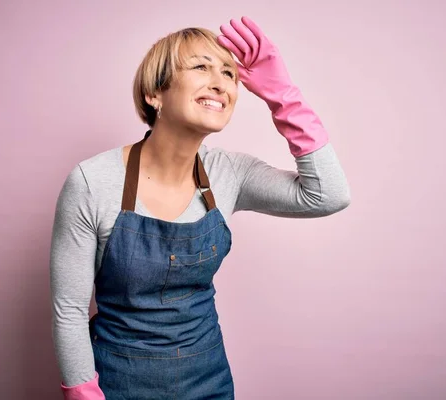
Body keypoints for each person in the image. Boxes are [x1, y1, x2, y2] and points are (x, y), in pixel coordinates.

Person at [49, 16, 350, 400]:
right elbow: (69, 311)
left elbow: (328, 194)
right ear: (154, 94)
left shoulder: (231, 173)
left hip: (208, 381)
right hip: (118, 383)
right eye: (201, 67)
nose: (220, 82)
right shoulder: (92, 182)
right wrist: (84, 395)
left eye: (229, 72)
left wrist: (283, 95)